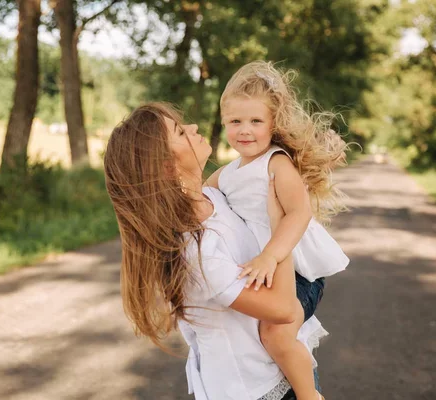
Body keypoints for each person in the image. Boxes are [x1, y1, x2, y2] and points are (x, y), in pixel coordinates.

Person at [104, 102, 326, 400]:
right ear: (166, 166)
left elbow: (270, 177)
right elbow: (284, 310)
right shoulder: (195, 252)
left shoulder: (213, 195)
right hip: (254, 389)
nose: (193, 128)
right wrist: (278, 225)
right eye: (181, 132)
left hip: (284, 367)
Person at [205, 61, 349, 400]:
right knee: (257, 337)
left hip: (299, 272)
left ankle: (309, 395)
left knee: (275, 334)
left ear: (273, 124)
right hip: (270, 272)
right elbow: (197, 197)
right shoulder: (227, 173)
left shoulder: (276, 162)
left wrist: (271, 254)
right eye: (235, 121)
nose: (245, 130)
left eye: (256, 121)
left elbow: (298, 213)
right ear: (224, 122)